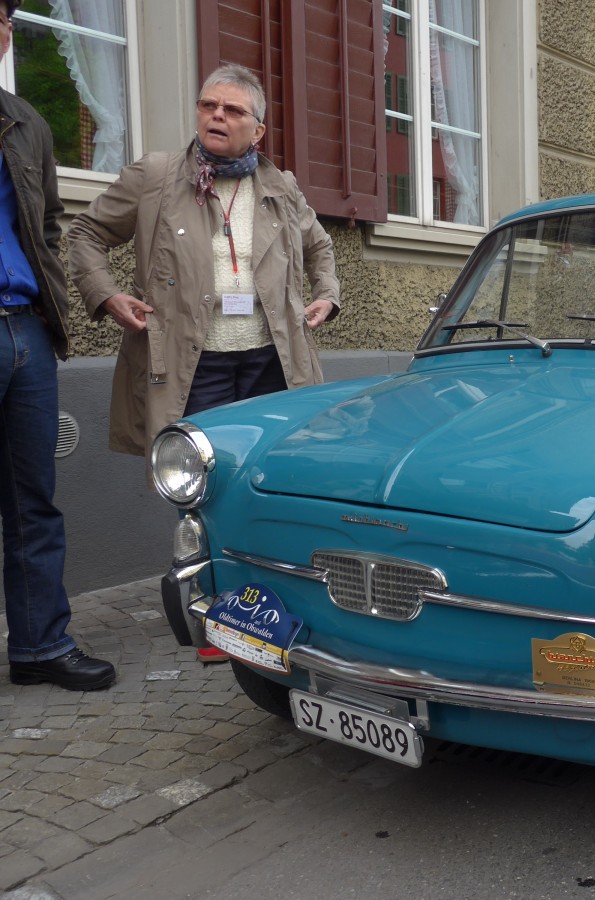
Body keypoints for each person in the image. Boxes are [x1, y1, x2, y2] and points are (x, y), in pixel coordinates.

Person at [67, 63, 340, 662]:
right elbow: (85, 232)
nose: (216, 116)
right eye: (208, 106)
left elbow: (320, 245)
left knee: (274, 484)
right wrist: (107, 294)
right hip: (198, 363)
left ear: (258, 130)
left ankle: (274, 604)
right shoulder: (157, 176)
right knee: (206, 492)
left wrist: (327, 294)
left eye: (233, 110)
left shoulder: (280, 187)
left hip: (273, 362)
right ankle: (217, 614)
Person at [0, 0, 116, 690]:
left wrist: (52, 317)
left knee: (33, 501)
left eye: (4, 19)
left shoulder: (26, 121)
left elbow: (46, 227)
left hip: (24, 332)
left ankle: (41, 645)